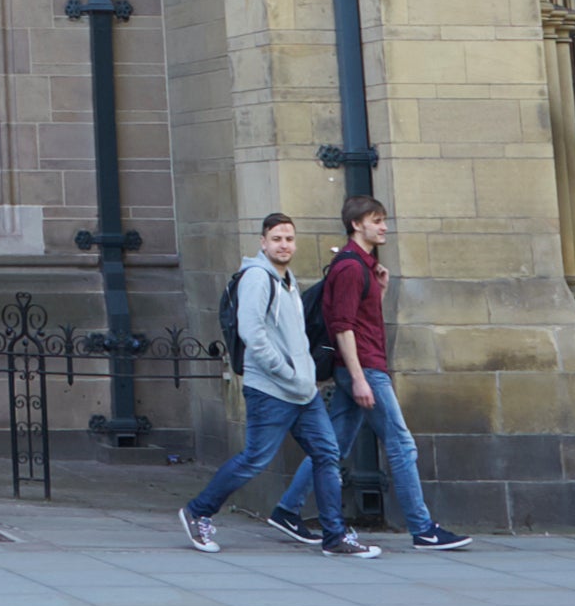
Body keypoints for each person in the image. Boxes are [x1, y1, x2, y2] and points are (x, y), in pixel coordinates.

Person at [276, 197, 468, 554]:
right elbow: (342, 327)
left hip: (363, 366)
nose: (383, 227)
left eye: (383, 220)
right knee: (400, 444)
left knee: (330, 446)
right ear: (356, 226)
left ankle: (287, 509)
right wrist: (359, 378)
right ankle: (423, 528)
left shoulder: (363, 267)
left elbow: (361, 321)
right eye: (376, 221)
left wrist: (379, 291)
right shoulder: (350, 268)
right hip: (364, 369)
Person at [180, 210, 368, 558]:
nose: (284, 245)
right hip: (271, 389)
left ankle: (335, 536)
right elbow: (252, 333)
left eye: (289, 239)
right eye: (277, 239)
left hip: (302, 391)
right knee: (255, 458)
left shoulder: (287, 279)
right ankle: (198, 511)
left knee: (327, 454)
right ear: (263, 243)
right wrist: (286, 371)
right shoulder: (257, 278)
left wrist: (304, 375)